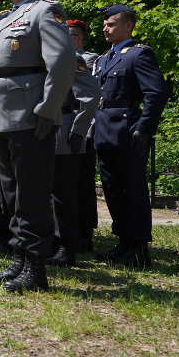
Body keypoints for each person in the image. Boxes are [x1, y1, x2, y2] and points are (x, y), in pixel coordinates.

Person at [0, 0, 76, 292]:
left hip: (29, 112)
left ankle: (35, 267)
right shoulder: (3, 17)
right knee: (10, 191)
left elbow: (61, 62)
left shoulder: (45, 10)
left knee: (31, 191)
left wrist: (49, 108)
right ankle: (19, 260)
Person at [93, 4, 169, 267]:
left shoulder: (138, 55)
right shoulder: (105, 58)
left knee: (132, 190)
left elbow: (156, 93)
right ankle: (123, 242)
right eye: (105, 24)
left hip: (128, 131)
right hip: (104, 130)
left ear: (128, 26)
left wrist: (143, 129)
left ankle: (137, 248)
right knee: (112, 190)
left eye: (111, 24)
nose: (105, 27)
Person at [48, 52, 100, 266]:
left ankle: (66, 246)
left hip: (63, 131)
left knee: (63, 194)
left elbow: (90, 95)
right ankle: (49, 241)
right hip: (38, 130)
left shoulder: (69, 57)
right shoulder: (33, 54)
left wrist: (78, 131)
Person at [67, 19, 101, 249]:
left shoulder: (88, 60)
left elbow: (90, 98)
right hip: (61, 127)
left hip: (82, 128)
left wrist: (82, 130)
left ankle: (84, 233)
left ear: (79, 38)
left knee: (82, 184)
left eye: (70, 35)